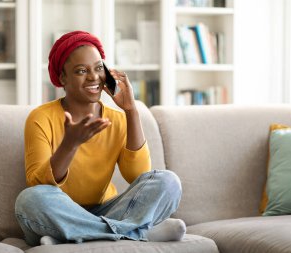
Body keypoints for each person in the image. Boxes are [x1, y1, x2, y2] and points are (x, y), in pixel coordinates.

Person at [15, 30, 185, 246]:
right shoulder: (41, 118)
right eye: (81, 70)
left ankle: (73, 236)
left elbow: (139, 175)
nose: (93, 76)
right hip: (58, 211)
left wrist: (131, 110)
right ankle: (136, 232)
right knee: (29, 200)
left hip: (108, 209)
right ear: (62, 78)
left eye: (98, 68)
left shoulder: (117, 119)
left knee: (168, 181)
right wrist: (70, 144)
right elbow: (37, 182)